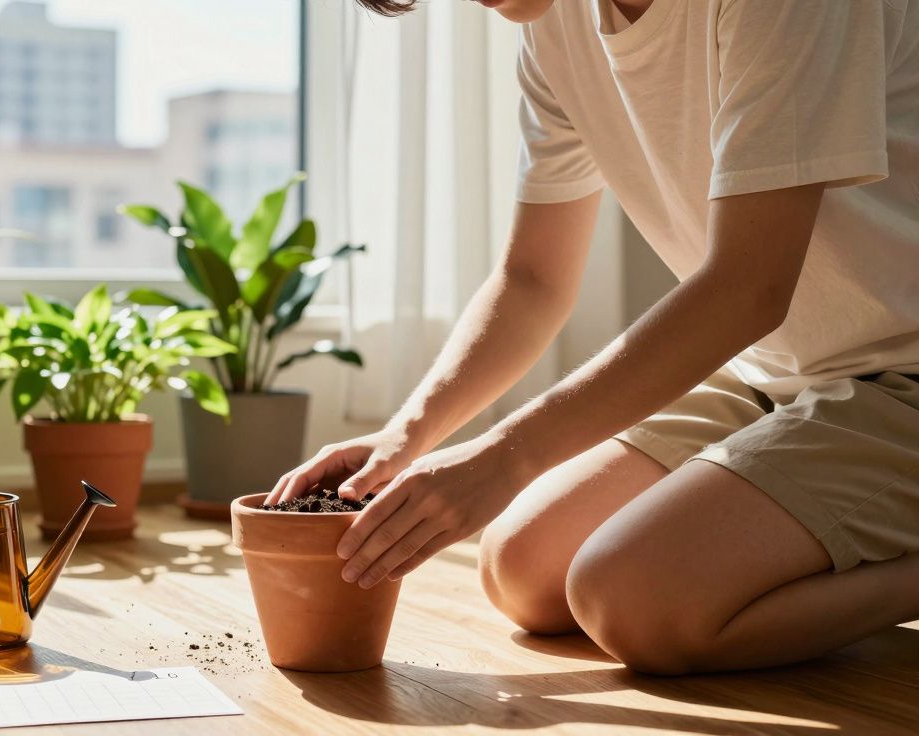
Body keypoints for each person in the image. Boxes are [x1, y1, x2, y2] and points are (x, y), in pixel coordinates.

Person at [266, 0, 919, 675]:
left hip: (906, 371)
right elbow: (532, 280)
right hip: (774, 371)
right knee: (524, 570)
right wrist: (405, 438)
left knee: (635, 601)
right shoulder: (556, 25)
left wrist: (501, 459)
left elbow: (748, 288)